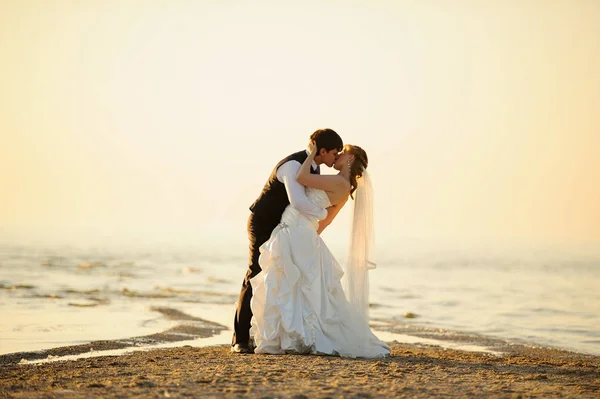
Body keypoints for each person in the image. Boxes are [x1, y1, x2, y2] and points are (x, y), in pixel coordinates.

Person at [249, 142, 391, 358]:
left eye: (343, 153)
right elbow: (327, 220)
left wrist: (313, 151)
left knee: (293, 283)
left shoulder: (338, 181)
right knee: (302, 285)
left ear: (351, 160)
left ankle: (295, 336)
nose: (338, 155)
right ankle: (295, 334)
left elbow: (301, 178)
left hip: (297, 230)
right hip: (301, 232)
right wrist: (309, 239)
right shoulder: (344, 187)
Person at [231, 128, 343, 353]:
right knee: (256, 272)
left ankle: (269, 333)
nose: (336, 157)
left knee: (281, 276)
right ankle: (240, 339)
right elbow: (299, 201)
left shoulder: (314, 166)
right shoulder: (292, 165)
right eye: (334, 153)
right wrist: (323, 215)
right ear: (322, 151)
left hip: (285, 228)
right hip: (263, 223)